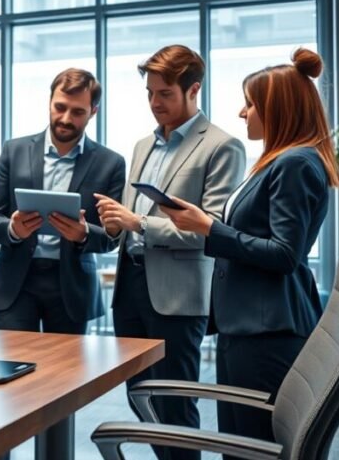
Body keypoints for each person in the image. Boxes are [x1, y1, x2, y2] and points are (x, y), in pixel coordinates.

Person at [158, 48, 339, 450]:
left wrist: (209, 228)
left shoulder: (295, 164)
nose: (243, 113)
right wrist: (210, 227)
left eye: (250, 104)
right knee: (239, 444)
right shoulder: (280, 162)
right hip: (247, 325)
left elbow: (284, 254)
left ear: (277, 110)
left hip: (266, 331)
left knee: (254, 446)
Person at [95, 45, 245, 460]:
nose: (154, 103)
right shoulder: (142, 145)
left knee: (175, 404)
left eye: (165, 94)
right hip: (131, 286)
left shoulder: (221, 146)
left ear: (193, 89)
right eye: (150, 93)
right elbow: (129, 218)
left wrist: (138, 223)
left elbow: (210, 230)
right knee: (140, 396)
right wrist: (112, 223)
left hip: (178, 295)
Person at [0, 68, 126, 335]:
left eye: (77, 112)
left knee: (67, 375)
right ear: (49, 101)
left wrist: (84, 234)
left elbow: (112, 238)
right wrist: (13, 229)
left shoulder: (111, 164)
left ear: (93, 111)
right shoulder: (14, 151)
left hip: (71, 287)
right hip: (15, 282)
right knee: (13, 370)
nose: (65, 118)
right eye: (59, 107)